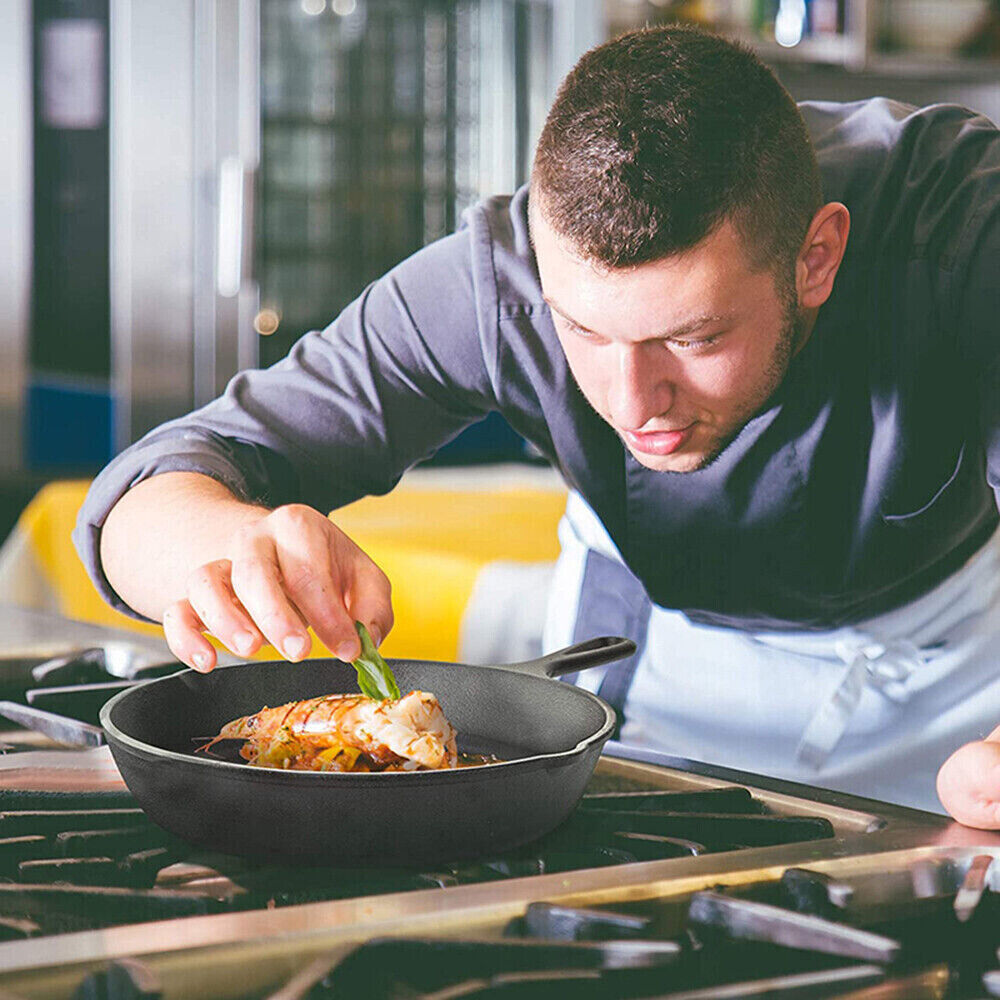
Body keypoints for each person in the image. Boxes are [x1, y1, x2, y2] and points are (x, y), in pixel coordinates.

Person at [75, 24, 1000, 824]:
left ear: (818, 256)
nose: (635, 402)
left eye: (694, 337)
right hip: (653, 678)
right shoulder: (499, 277)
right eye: (583, 332)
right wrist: (227, 542)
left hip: (947, 700)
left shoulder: (962, 228)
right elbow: (146, 494)